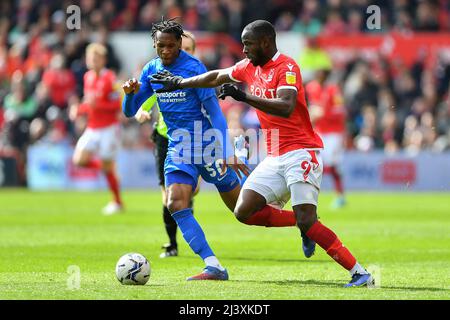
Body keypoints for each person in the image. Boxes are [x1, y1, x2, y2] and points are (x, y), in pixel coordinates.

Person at [151, 20, 373, 287]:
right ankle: (304, 226)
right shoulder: (248, 67)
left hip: (302, 151)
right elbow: (216, 76)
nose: (244, 50)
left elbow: (286, 106)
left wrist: (243, 97)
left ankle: (360, 272)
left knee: (307, 219)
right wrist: (180, 83)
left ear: (266, 43)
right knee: (244, 211)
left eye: (248, 44)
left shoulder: (287, 67)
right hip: (276, 154)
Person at [122, 18, 301, 281]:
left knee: (246, 213)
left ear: (179, 44)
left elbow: (215, 113)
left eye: (171, 45)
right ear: (155, 44)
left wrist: (227, 151)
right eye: (161, 46)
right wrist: (129, 93)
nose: (166, 51)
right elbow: (129, 111)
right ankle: (213, 265)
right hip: (178, 148)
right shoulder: (151, 70)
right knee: (175, 202)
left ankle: (300, 221)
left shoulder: (193, 68)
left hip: (208, 147)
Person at [134, 31, 199, 258]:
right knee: (168, 196)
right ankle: (172, 244)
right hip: (165, 138)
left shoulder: (197, 74)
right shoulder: (162, 73)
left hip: (193, 138)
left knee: (190, 192)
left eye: (188, 49)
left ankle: (190, 237)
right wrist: (142, 108)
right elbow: (150, 94)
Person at [70, 43, 124, 215]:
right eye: (90, 58)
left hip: (109, 128)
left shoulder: (110, 78)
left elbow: (118, 104)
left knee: (107, 166)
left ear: (103, 60)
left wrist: (98, 104)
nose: (93, 61)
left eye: (96, 58)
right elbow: (89, 105)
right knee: (79, 159)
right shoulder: (88, 77)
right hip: (92, 127)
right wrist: (78, 110)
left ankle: (117, 202)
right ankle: (107, 169)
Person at [305, 67, 347, 209]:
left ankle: (339, 196)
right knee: (315, 163)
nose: (319, 76)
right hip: (319, 132)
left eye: (321, 73)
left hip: (333, 132)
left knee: (329, 164)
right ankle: (311, 194)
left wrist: (324, 113)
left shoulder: (333, 90)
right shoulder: (311, 88)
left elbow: (340, 111)